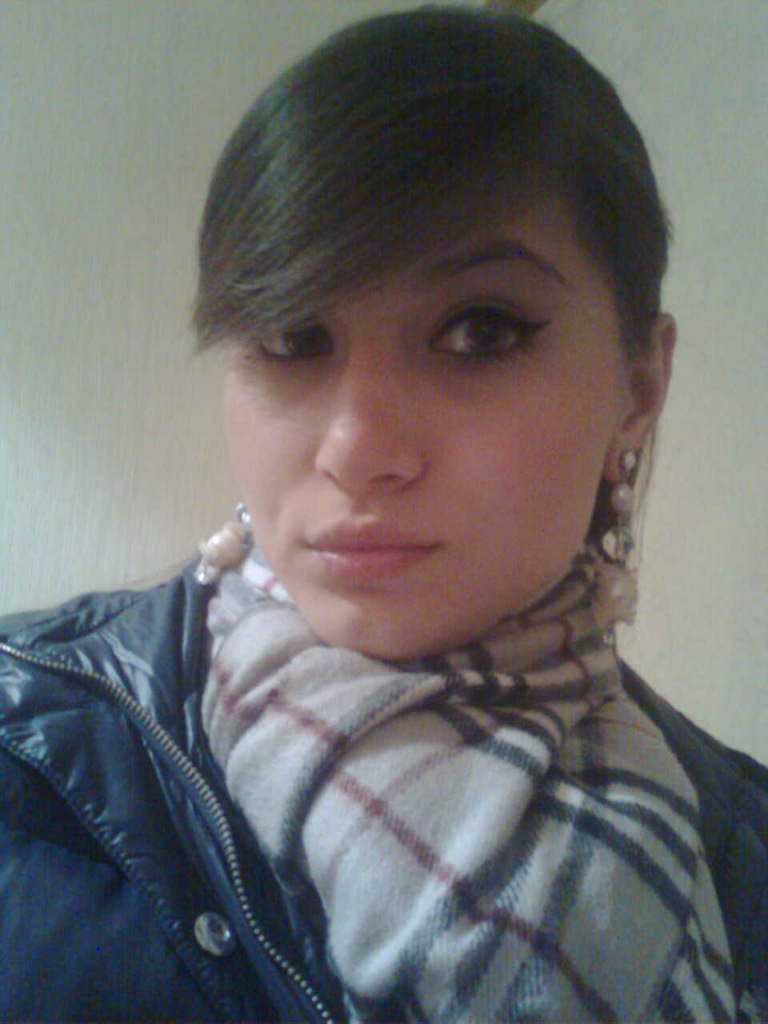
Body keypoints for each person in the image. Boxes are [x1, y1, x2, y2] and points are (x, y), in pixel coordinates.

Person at [1, 5, 766, 1022]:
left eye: (480, 330)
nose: (354, 449)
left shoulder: (744, 854)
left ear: (640, 385)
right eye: (291, 335)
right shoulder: (26, 748)